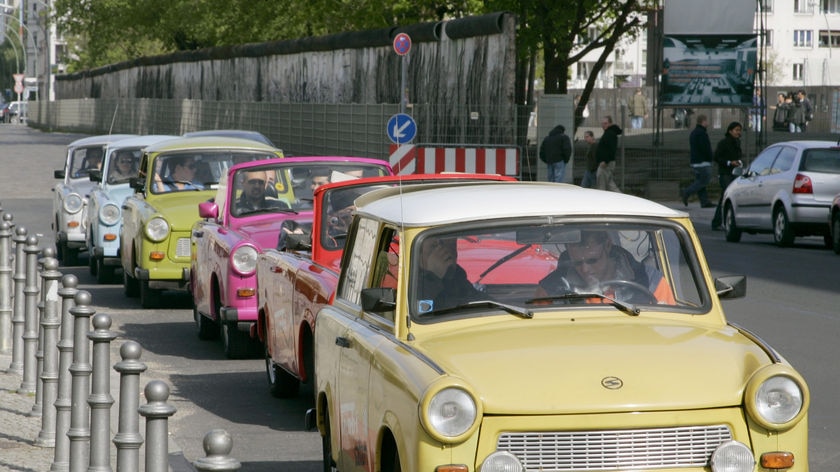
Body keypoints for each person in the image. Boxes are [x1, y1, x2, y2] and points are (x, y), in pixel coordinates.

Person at [536, 231, 674, 304]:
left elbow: (667, 330)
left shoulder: (650, 282)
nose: (585, 269)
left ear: (607, 245)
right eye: (577, 262)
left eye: (593, 260)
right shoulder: (550, 289)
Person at [415, 235, 483, 313]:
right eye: (434, 247)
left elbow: (476, 299)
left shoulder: (456, 277)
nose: (448, 252)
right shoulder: (411, 282)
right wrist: (433, 276)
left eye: (452, 246)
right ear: (418, 255)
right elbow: (420, 313)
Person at [711, 122, 744, 230]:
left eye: (739, 130)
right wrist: (729, 162)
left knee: (726, 197)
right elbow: (716, 157)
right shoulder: (724, 143)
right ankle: (719, 221)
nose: (738, 132)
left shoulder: (737, 142)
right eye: (736, 130)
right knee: (726, 196)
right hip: (725, 173)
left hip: (734, 173)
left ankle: (719, 221)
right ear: (730, 131)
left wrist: (739, 162)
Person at [681, 114, 715, 208]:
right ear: (703, 121)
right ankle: (686, 192)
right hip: (702, 162)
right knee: (704, 181)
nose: (708, 123)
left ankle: (704, 202)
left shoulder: (694, 133)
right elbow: (705, 148)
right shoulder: (701, 133)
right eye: (706, 121)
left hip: (695, 161)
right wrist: (710, 157)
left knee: (700, 182)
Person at [596, 116, 622, 192]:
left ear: (610, 124)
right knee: (609, 184)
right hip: (606, 162)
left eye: (605, 123)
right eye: (602, 123)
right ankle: (621, 198)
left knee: (602, 184)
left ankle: (603, 200)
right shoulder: (609, 133)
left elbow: (611, 149)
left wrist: (605, 161)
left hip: (606, 163)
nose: (603, 125)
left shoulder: (610, 134)